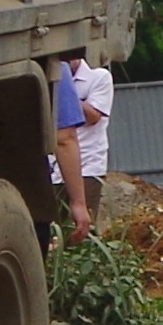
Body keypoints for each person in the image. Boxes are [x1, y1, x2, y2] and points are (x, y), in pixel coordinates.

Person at [57, 53, 113, 238]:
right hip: (54, 168)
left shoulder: (99, 77)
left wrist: (66, 94)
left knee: (81, 229)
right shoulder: (55, 79)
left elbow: (93, 116)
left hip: (88, 166)